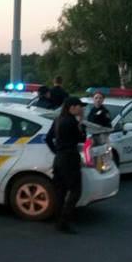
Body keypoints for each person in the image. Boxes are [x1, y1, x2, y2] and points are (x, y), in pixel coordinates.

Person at [46, 96, 86, 234]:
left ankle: (58, 220)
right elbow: (82, 138)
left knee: (60, 191)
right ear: (72, 107)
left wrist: (56, 151)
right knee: (76, 191)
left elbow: (48, 138)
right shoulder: (71, 122)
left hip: (59, 159)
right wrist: (81, 123)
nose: (81, 109)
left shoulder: (57, 120)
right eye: (79, 106)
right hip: (70, 160)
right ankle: (64, 220)